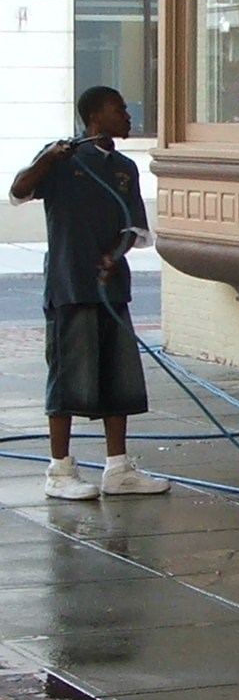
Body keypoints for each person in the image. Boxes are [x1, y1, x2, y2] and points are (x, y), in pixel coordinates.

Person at [9, 86, 171, 502]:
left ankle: (117, 468)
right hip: (69, 284)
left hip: (110, 288)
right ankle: (59, 469)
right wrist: (48, 159)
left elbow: (134, 228)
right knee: (68, 376)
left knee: (118, 375)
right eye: (120, 109)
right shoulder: (62, 159)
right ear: (95, 117)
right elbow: (18, 191)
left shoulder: (123, 168)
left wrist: (115, 255)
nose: (129, 116)